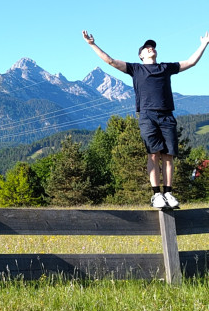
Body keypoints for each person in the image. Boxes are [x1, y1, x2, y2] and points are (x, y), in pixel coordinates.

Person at [82, 29, 209, 209]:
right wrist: (92, 44)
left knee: (168, 155)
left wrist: (204, 44)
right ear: (141, 55)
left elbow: (190, 62)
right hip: (147, 116)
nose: (150, 48)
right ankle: (156, 194)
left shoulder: (165, 68)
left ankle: (168, 193)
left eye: (152, 47)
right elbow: (110, 61)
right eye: (146, 48)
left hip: (167, 115)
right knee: (153, 154)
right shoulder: (136, 69)